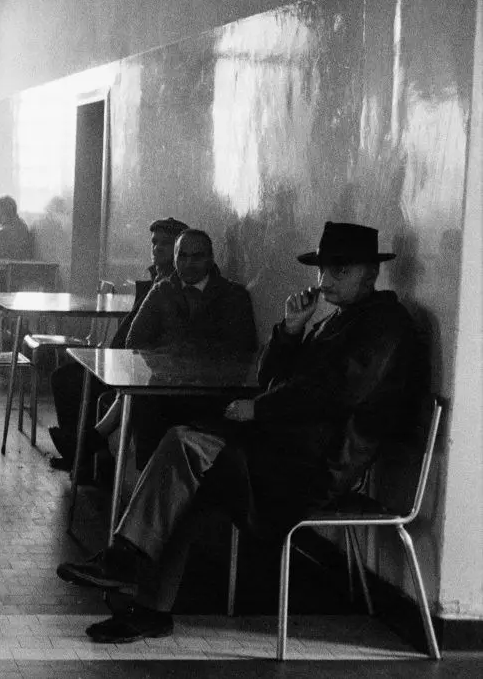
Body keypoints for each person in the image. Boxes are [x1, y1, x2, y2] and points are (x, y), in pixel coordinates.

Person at [56, 222, 419, 644]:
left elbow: (336, 393)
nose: (325, 280)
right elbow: (271, 377)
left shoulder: (385, 325)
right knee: (183, 464)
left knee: (183, 449)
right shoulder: (336, 320)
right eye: (323, 270)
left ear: (370, 275)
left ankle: (129, 566)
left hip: (317, 469)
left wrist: (258, 410)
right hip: (286, 452)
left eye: (340, 271)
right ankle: (143, 594)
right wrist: (291, 330)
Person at [46, 217, 187, 470]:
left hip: (141, 366)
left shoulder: (175, 287)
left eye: (166, 243)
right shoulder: (155, 281)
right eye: (155, 242)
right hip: (125, 360)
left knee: (72, 381)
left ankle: (81, 455)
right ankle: (79, 454)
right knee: (65, 376)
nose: (157, 248)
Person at [110, 228, 258, 467]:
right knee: (143, 403)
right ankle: (149, 480)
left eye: (197, 257)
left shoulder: (233, 295)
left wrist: (188, 351)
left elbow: (242, 348)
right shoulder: (162, 291)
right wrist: (168, 361)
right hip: (166, 388)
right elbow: (134, 341)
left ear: (211, 259)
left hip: (213, 392)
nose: (189, 263)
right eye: (183, 257)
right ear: (175, 259)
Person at [0, 195, 34, 260]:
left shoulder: (2, 233)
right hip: (19, 267)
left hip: (2, 269)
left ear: (0, 211)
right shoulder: (22, 226)